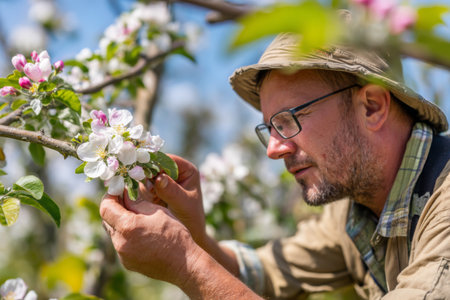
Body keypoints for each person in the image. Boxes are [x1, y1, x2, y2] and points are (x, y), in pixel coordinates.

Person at [100, 32, 450, 299]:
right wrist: (194, 235)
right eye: (270, 128)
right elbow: (265, 272)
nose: (274, 149)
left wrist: (187, 264)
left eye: (289, 120)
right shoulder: (357, 209)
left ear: (372, 107)